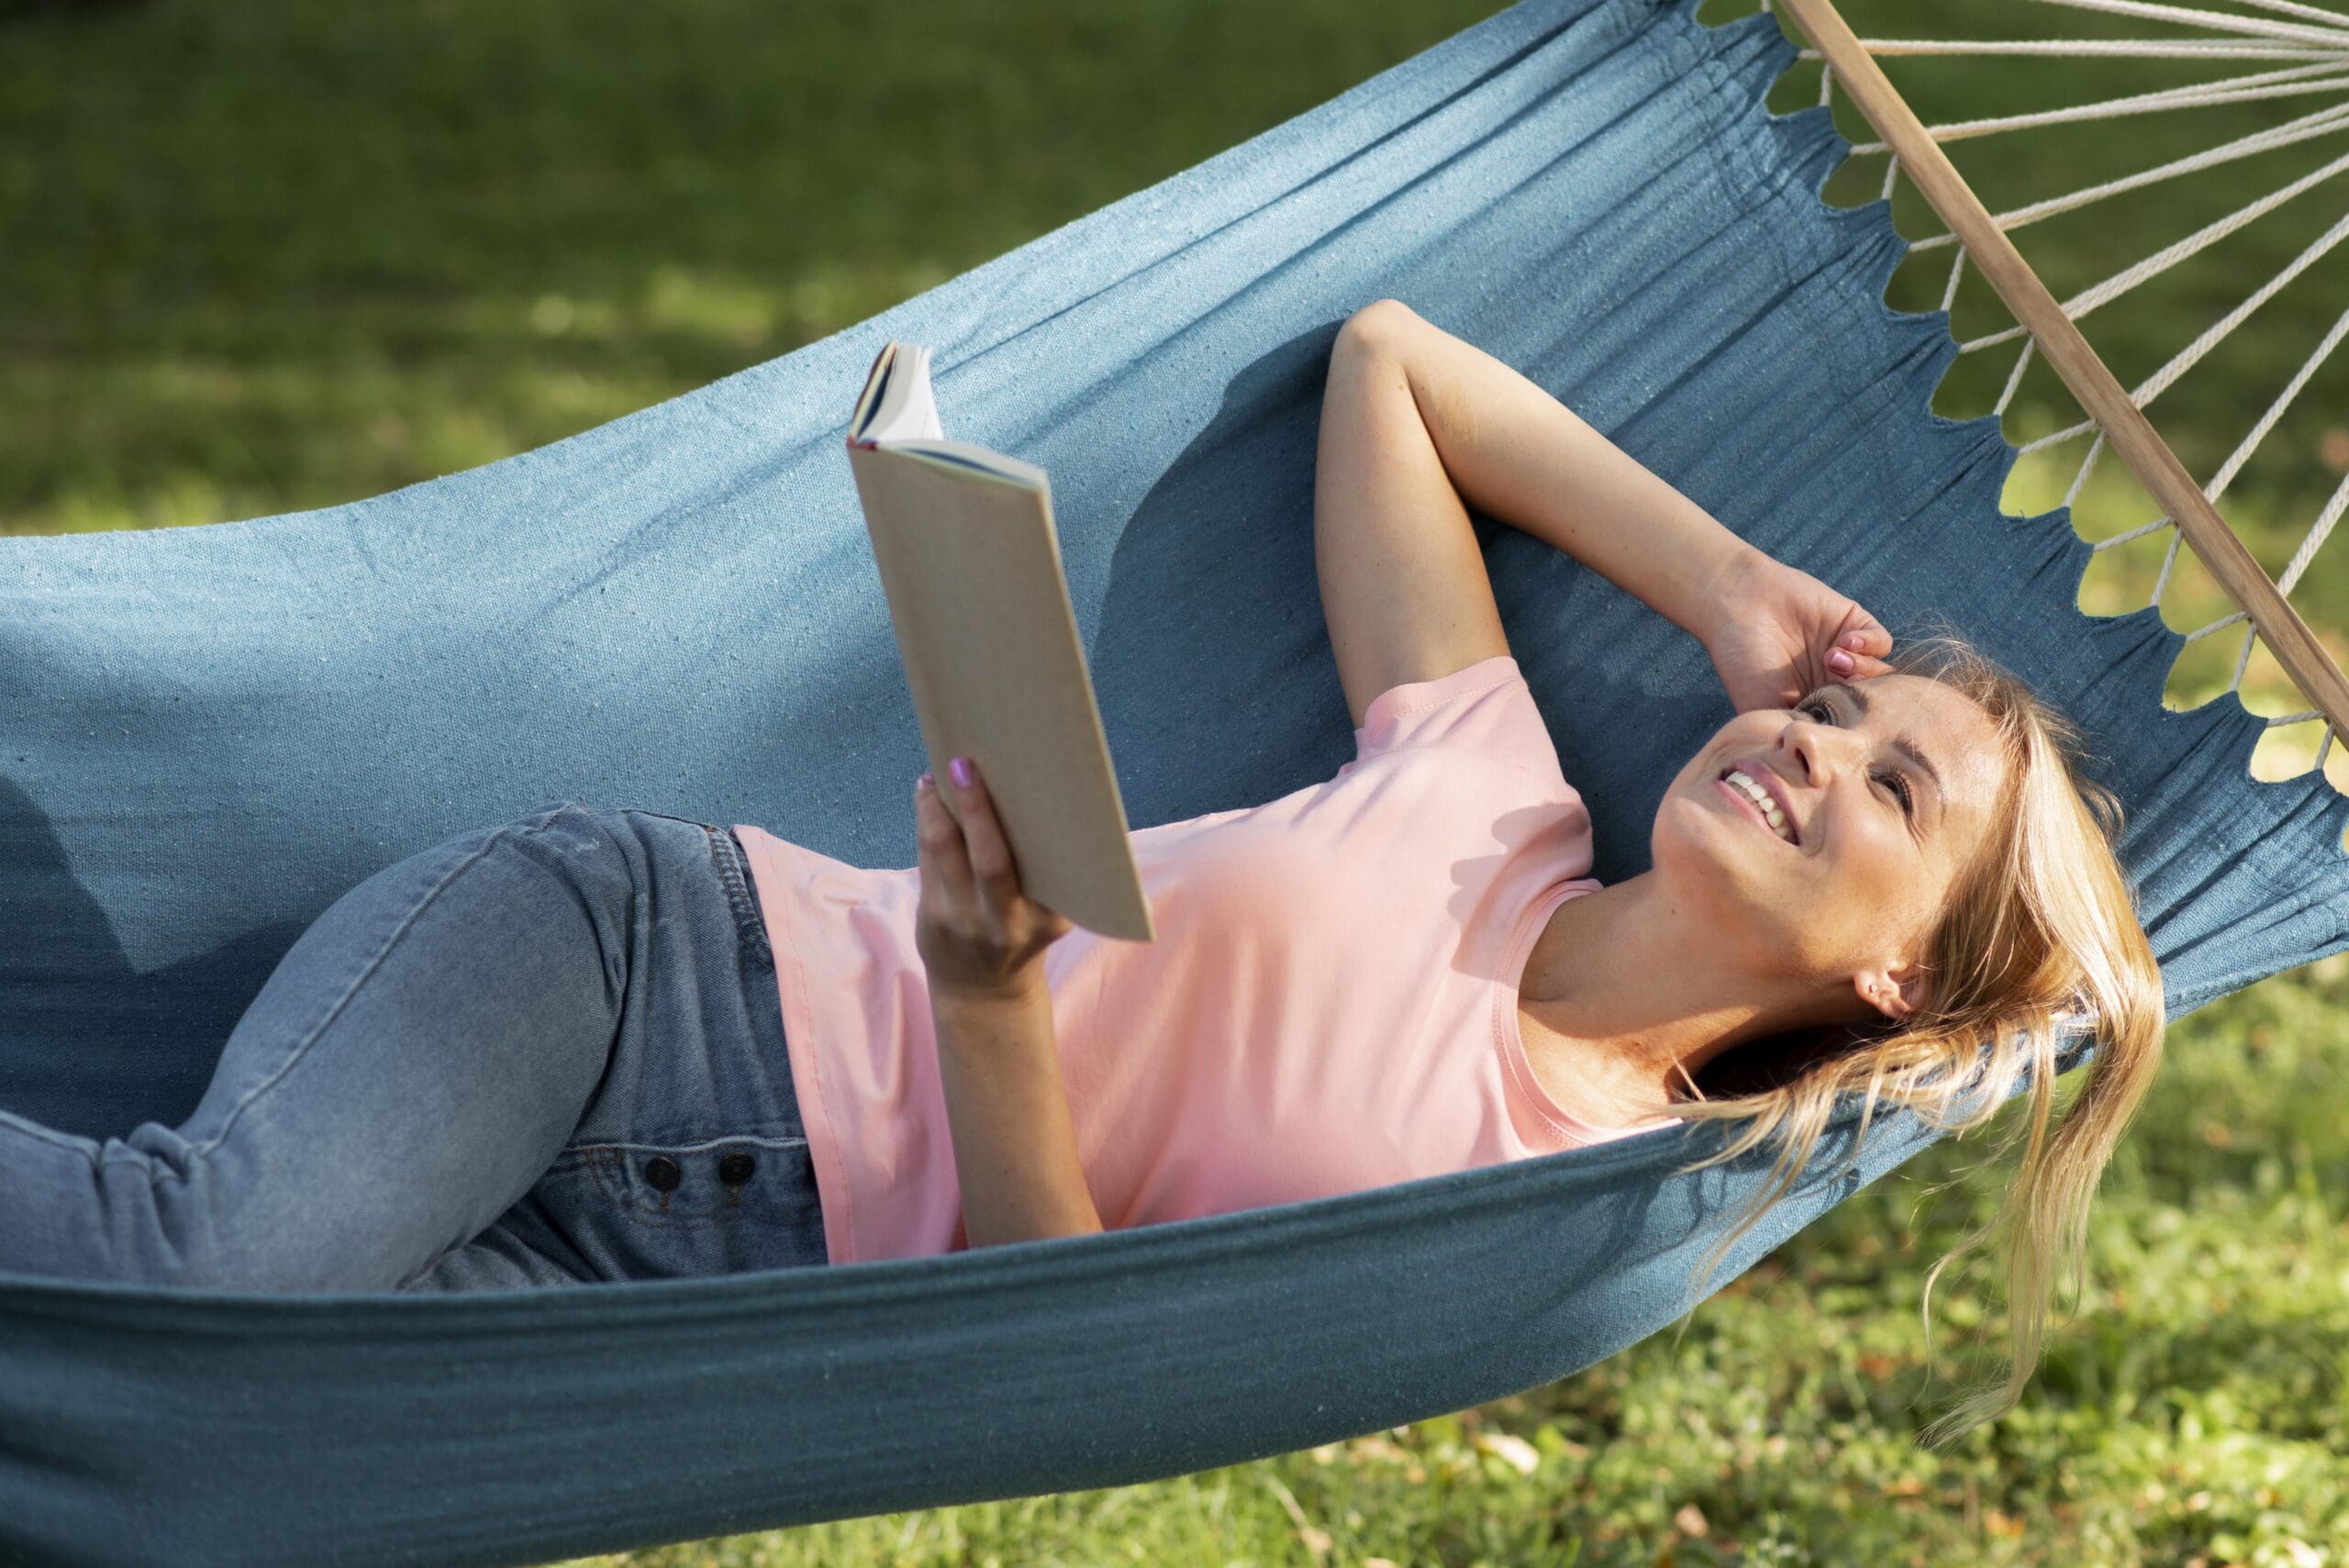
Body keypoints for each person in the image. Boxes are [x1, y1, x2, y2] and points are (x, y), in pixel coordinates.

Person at [0, 300, 2161, 1443]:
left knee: (179, 1464)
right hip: (641, 979)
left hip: (666, 1306)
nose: (1810, 748)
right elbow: (1395, 373)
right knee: (167, 1270)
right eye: (1845, 713)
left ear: (1899, 987)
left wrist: (990, 986)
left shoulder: (1546, 1214)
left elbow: (1039, 1337)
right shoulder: (1486, 797)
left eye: (1893, 798)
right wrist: (1722, 591)